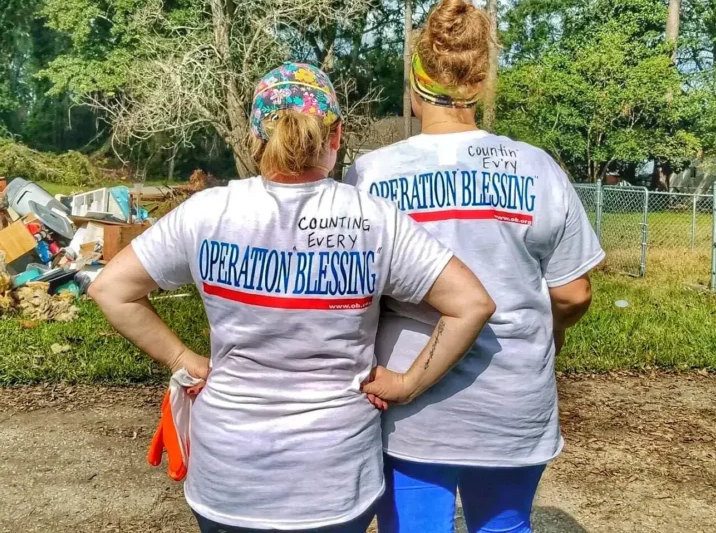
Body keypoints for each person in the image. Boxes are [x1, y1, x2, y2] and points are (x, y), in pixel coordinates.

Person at [89, 62, 496, 533]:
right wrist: (407, 384)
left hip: (228, 477)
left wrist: (184, 357)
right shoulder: (373, 219)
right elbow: (471, 303)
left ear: (254, 138)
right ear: (336, 135)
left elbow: (111, 289)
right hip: (333, 481)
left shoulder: (208, 212)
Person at [346, 0, 602, 533]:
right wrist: (551, 334)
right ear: (481, 82)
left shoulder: (370, 175)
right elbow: (573, 294)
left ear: (416, 83)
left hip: (409, 401)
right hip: (512, 400)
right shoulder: (537, 169)